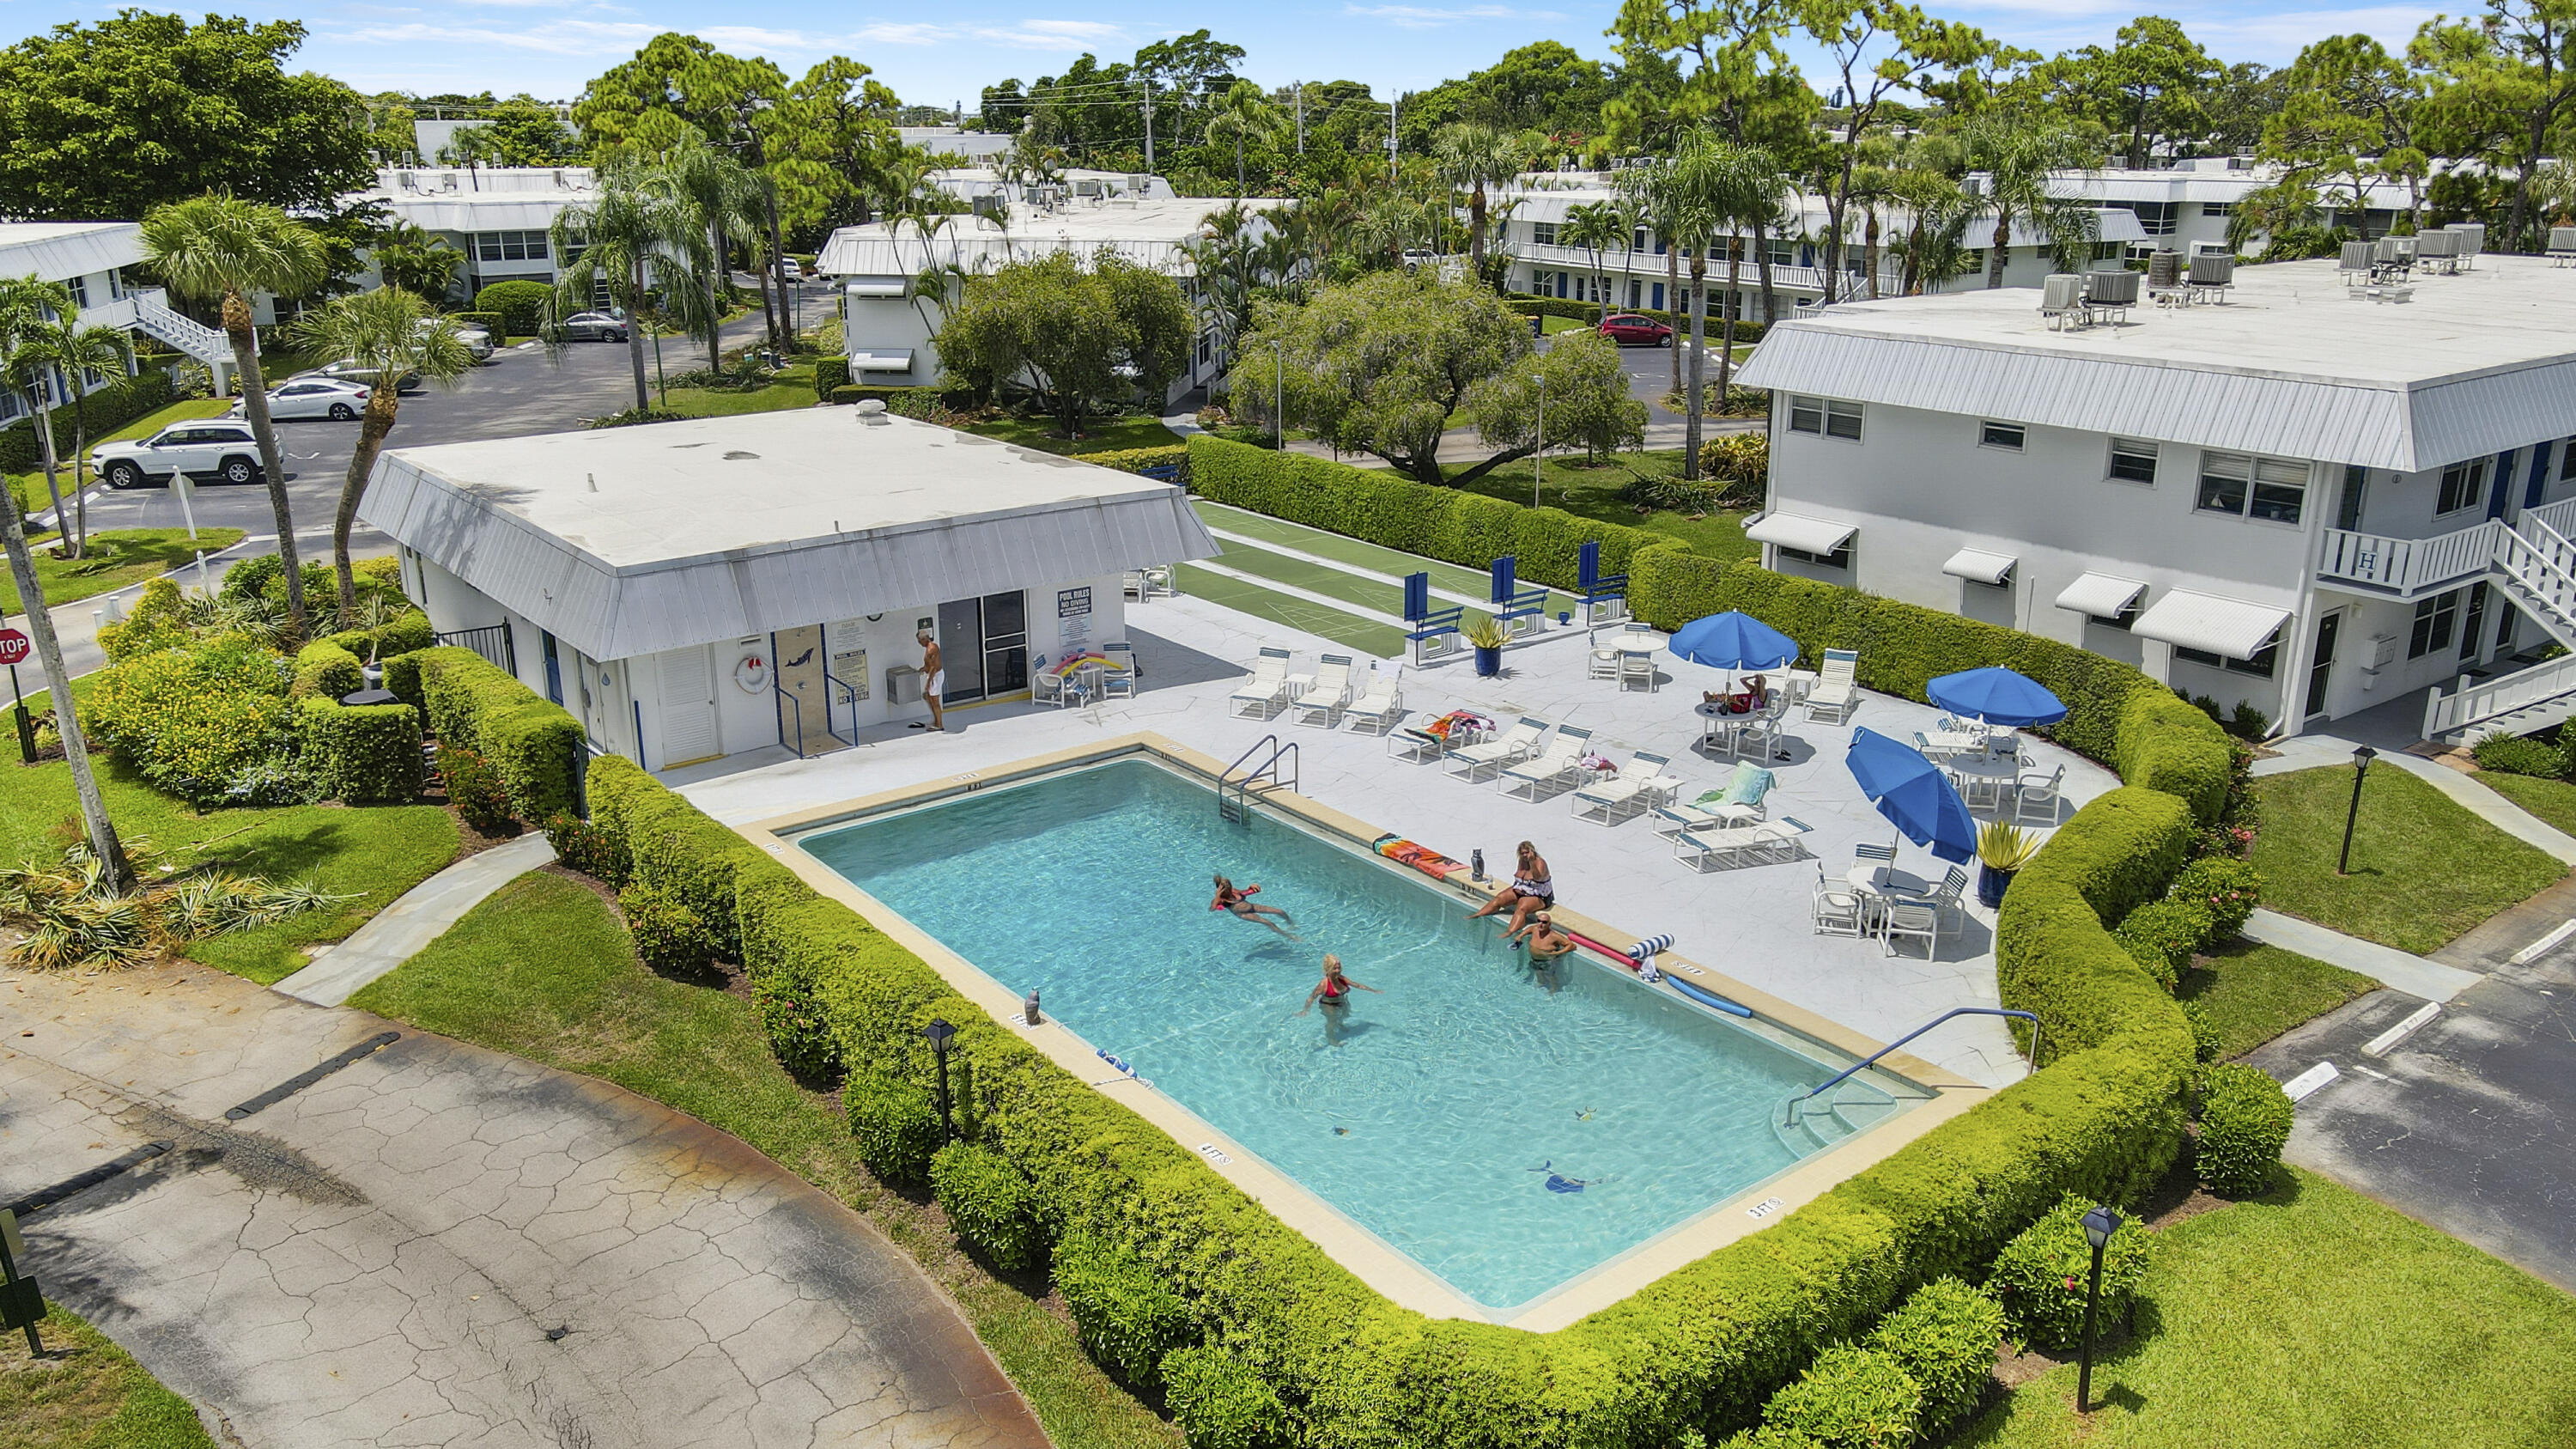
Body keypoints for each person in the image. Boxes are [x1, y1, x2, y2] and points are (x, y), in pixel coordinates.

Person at [1469, 841, 1554, 933]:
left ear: (1532, 852)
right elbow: (1520, 876)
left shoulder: (1540, 863)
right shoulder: (1522, 860)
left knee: (1521, 907)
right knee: (1499, 898)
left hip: (1540, 896)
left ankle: (1510, 932)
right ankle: (1476, 915)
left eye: (1527, 852)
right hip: (1522, 891)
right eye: (1522, 853)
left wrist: (1532, 862)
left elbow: (1538, 877)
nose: (1525, 855)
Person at [1212, 874, 1297, 936]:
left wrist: (1251, 888)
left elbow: (1244, 892)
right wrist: (1218, 897)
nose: (1230, 889)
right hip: (1243, 914)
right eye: (1228, 888)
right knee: (1269, 923)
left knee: (1280, 911)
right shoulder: (1220, 899)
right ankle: (1290, 936)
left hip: (1251, 906)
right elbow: (1212, 909)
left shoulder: (1233, 890)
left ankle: (1291, 924)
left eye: (1230, 886)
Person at [1299, 953, 1379, 1014]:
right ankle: (1330, 1036)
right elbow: (1311, 998)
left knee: (1345, 1016)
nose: (1338, 970)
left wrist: (1374, 991)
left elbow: (1357, 985)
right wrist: (1305, 1011)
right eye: (1335, 968)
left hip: (1342, 1002)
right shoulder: (1323, 985)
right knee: (1331, 1024)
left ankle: (1340, 1026)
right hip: (1329, 1006)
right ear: (1328, 969)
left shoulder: (1342, 978)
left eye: (1339, 967)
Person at [911, 629, 945, 731]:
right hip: (932, 675)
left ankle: (939, 725)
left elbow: (934, 667)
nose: (919, 643)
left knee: (935, 702)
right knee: (927, 697)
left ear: (924, 639)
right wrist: (923, 669)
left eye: (919, 641)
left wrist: (928, 683)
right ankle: (936, 721)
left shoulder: (932, 649)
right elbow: (929, 665)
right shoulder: (929, 648)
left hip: (935, 676)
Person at [1510, 910, 1576, 961]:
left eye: (1544, 922)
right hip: (1534, 959)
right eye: (1539, 921)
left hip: (1547, 961)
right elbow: (1530, 929)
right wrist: (1521, 935)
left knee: (1548, 978)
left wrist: (1557, 953)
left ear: (1549, 924)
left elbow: (1572, 945)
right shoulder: (1535, 928)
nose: (1540, 924)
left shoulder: (1554, 936)